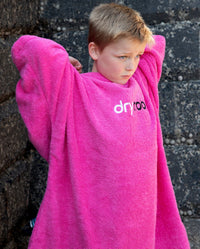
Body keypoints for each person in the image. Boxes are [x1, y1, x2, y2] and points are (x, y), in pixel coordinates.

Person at [12, 3, 190, 248]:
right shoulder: (77, 90)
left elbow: (155, 43)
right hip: (98, 218)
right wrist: (64, 59)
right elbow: (28, 48)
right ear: (94, 51)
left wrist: (131, 41)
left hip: (139, 219)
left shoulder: (142, 83)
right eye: (122, 57)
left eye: (136, 56)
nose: (131, 65)